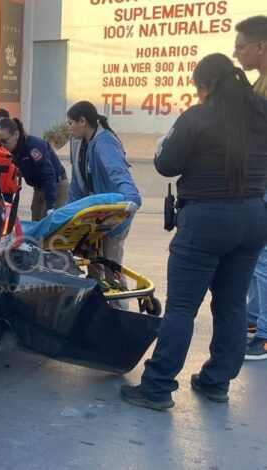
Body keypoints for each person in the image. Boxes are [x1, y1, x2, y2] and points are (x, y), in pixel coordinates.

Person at [121, 53, 267, 410]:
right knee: (232, 304)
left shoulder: (198, 117)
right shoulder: (262, 114)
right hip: (253, 217)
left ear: (205, 86)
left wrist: (163, 145)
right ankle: (216, 382)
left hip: (206, 220)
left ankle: (157, 386)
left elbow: (165, 163)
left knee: (183, 307)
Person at [66, 101, 141, 297]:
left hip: (115, 213)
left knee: (111, 265)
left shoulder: (105, 143)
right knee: (93, 265)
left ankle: (120, 310)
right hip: (93, 215)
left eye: (70, 123)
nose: (69, 128)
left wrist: (132, 199)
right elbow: (77, 181)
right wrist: (67, 212)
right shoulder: (77, 143)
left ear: (83, 121)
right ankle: (98, 311)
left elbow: (118, 173)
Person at [234, 15, 267, 359]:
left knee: (263, 259)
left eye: (240, 47)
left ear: (260, 46)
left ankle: (264, 336)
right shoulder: (259, 84)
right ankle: (255, 321)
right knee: (258, 255)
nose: (236, 54)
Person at [0, 117, 68, 221]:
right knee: (36, 225)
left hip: (55, 185)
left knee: (47, 227)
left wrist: (50, 205)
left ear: (16, 135)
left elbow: (48, 175)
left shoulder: (34, 147)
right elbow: (10, 179)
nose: (2, 145)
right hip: (39, 188)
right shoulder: (13, 152)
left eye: (4, 141)